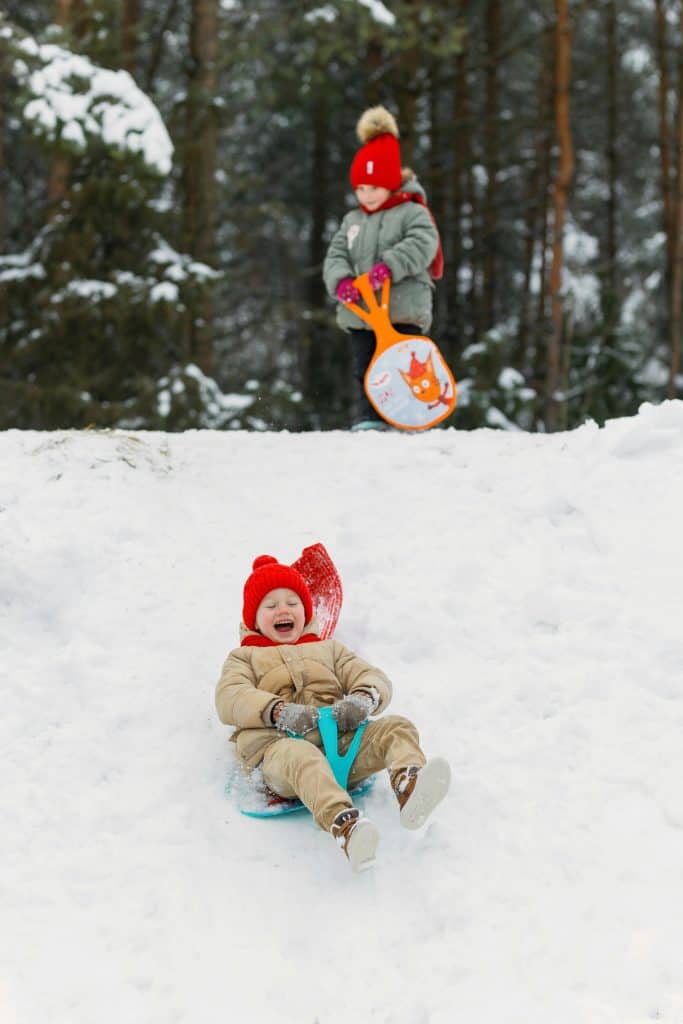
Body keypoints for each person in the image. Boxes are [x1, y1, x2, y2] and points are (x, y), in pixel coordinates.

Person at [215, 554, 451, 872]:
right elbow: (230, 697)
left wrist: (362, 699)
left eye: (292, 603)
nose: (283, 610)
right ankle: (346, 827)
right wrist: (278, 711)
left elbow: (370, 675)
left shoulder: (329, 649)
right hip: (279, 754)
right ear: (255, 619)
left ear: (306, 612)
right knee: (302, 756)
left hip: (341, 745)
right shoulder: (244, 658)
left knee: (396, 727)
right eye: (270, 606)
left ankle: (409, 785)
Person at [323, 105, 443, 431]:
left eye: (373, 188)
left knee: (407, 365)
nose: (366, 195)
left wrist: (389, 266)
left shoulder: (412, 213)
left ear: (390, 183)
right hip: (363, 312)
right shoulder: (353, 220)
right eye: (360, 188)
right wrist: (341, 280)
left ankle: (412, 416)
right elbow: (335, 254)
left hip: (402, 308)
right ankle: (371, 417)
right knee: (366, 366)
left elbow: (423, 242)